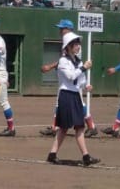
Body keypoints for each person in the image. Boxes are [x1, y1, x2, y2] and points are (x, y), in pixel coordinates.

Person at [46, 32, 100, 166]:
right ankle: (85, 156)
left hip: (75, 95)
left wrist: (86, 86)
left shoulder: (78, 61)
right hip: (66, 95)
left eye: (78, 43)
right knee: (68, 127)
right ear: (68, 47)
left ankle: (54, 154)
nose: (78, 46)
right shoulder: (63, 61)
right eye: (75, 44)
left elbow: (80, 80)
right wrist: (83, 68)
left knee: (77, 126)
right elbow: (70, 76)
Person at [40, 19, 98, 138]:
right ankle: (56, 127)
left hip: (74, 81)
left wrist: (50, 66)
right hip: (70, 80)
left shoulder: (73, 44)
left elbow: (74, 64)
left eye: (62, 28)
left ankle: (90, 126)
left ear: (68, 29)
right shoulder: (68, 43)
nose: (60, 30)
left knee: (78, 104)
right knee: (73, 104)